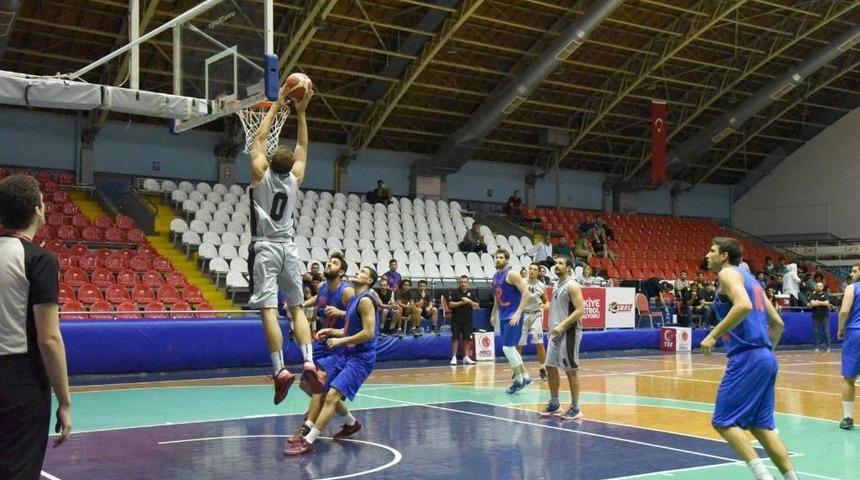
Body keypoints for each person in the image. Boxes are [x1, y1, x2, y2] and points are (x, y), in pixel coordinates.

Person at [699, 237, 799, 480]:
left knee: (723, 421)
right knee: (761, 427)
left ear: (724, 255)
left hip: (747, 358)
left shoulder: (727, 275)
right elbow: (777, 323)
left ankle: (763, 477)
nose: (707, 255)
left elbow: (742, 305)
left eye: (712, 250)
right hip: (765, 357)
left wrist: (713, 335)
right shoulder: (752, 281)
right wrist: (764, 354)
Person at [247, 81, 320, 403]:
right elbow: (303, 146)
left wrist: (277, 105)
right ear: (291, 166)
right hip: (290, 247)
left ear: (270, 161)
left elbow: (259, 138)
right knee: (297, 308)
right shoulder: (296, 178)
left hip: (265, 246)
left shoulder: (260, 171)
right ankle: (308, 361)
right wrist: (302, 113)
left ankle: (279, 370)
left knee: (267, 310)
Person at [0, 175, 72, 479]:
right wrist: (65, 401)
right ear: (36, 210)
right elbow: (49, 339)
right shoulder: (40, 260)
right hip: (19, 383)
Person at [284, 266, 381, 456]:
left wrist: (340, 340)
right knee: (323, 390)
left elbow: (369, 333)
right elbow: (349, 331)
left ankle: (308, 440)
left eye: (363, 272)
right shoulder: (354, 300)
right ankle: (351, 424)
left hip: (361, 358)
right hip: (348, 354)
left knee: (331, 397)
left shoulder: (366, 301)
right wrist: (331, 332)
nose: (358, 272)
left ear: (369, 281)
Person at [289, 252, 354, 442]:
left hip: (338, 344)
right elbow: (318, 298)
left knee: (319, 385)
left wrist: (341, 312)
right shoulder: (322, 286)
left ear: (341, 272)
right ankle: (350, 422)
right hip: (321, 342)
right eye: (328, 261)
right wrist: (301, 305)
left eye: (333, 263)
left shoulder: (346, 291)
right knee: (305, 384)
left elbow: (357, 314)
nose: (328, 264)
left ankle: (307, 430)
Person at [539, 255, 586, 420]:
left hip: (569, 332)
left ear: (569, 268)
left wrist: (562, 326)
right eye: (556, 263)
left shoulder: (572, 285)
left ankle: (575, 408)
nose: (556, 265)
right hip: (554, 333)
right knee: (550, 366)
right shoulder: (557, 284)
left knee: (570, 370)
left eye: (561, 263)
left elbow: (581, 309)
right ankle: (554, 403)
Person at [491, 248, 531, 394]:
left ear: (507, 260)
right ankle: (525, 377)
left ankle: (519, 380)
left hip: (513, 316)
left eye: (501, 257)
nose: (498, 259)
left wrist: (518, 312)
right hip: (503, 315)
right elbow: (497, 297)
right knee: (511, 349)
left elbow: (526, 292)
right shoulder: (495, 276)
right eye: (496, 257)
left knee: (507, 348)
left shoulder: (512, 274)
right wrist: (493, 313)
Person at [837, 264, 860, 430]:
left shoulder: (852, 288)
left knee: (849, 377)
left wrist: (840, 327)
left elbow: (844, 311)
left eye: (855, 271)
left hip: (855, 333)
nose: (851, 274)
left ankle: (848, 417)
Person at [517, 263, 549, 381]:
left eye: (535, 269)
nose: (532, 271)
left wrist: (546, 305)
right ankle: (517, 370)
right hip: (523, 314)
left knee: (539, 343)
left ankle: (542, 368)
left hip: (536, 315)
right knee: (519, 344)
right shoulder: (521, 282)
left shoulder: (541, 286)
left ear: (538, 272)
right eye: (530, 268)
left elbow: (546, 301)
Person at [447, 275, 478, 365]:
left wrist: (469, 301)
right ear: (459, 283)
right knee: (455, 338)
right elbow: (451, 304)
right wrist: (462, 302)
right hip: (456, 320)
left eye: (465, 282)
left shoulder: (472, 293)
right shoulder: (455, 292)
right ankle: (454, 357)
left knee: (467, 339)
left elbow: (477, 305)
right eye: (461, 282)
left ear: (468, 283)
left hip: (468, 320)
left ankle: (466, 357)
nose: (463, 284)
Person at [809, 281, 832, 353]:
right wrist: (822, 303)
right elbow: (812, 303)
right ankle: (816, 347)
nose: (818, 287)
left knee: (826, 331)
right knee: (816, 332)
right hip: (815, 316)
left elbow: (827, 303)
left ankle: (828, 347)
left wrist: (818, 302)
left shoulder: (826, 294)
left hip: (824, 316)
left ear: (822, 287)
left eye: (820, 286)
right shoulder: (813, 295)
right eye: (817, 286)